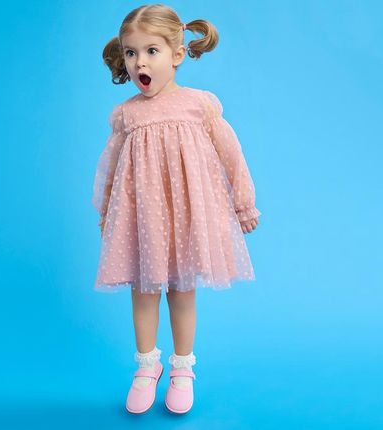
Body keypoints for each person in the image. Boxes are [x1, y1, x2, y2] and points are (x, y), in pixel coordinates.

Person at [92, 3, 262, 415]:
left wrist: (244, 204)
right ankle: (146, 366)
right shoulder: (127, 114)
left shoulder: (199, 105)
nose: (139, 62)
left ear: (177, 54)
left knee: (182, 292)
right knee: (144, 291)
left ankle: (182, 369)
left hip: (188, 217)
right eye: (131, 53)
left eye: (151, 51)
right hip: (142, 219)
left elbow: (232, 154)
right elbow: (109, 167)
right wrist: (106, 212)